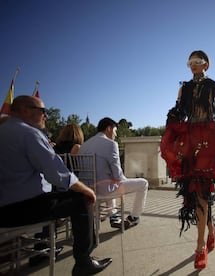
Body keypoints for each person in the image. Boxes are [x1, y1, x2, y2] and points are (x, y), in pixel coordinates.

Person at [0, 95, 112, 275]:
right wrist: (86, 189)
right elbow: (56, 173)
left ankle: (43, 247)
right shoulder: (28, 133)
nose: (46, 116)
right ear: (25, 111)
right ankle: (83, 261)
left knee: (54, 195)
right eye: (43, 111)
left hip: (6, 208)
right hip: (19, 210)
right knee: (82, 198)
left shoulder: (5, 130)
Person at [160, 50, 215, 269]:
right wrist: (171, 131)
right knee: (198, 193)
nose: (193, 65)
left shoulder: (213, 85)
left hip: (208, 140)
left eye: (197, 62)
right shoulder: (184, 88)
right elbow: (179, 112)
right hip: (190, 139)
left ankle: (200, 247)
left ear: (206, 64)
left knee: (201, 192)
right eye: (190, 62)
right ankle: (211, 230)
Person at [78, 117, 148, 229]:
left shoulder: (84, 146)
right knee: (143, 183)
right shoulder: (111, 144)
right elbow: (118, 176)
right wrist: (124, 179)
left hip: (86, 189)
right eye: (115, 131)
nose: (115, 135)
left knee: (109, 182)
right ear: (109, 129)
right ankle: (134, 217)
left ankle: (114, 215)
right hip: (103, 191)